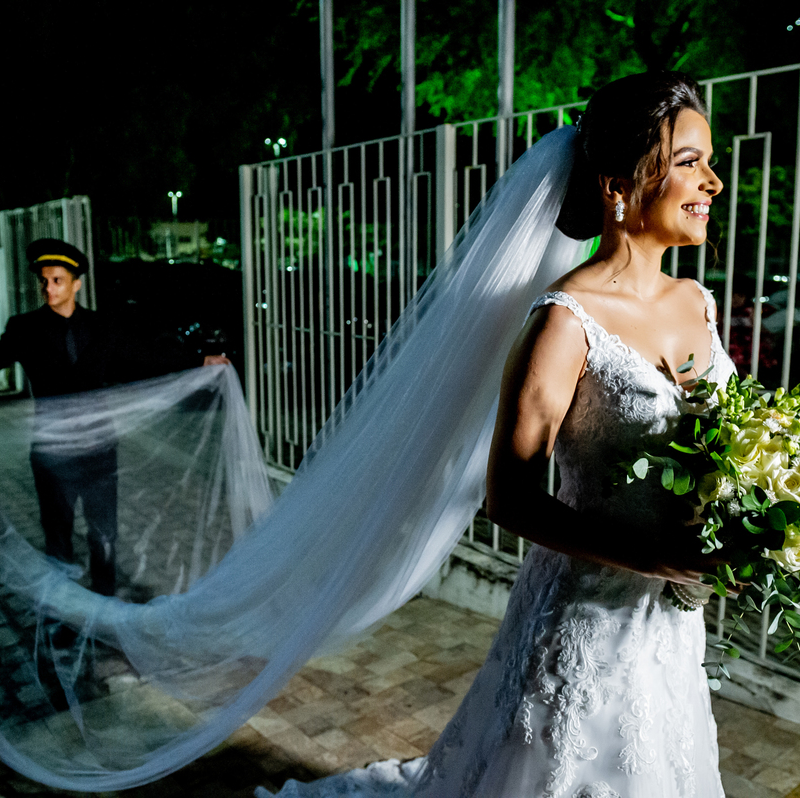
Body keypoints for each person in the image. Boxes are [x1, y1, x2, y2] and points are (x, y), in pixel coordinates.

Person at [267, 72, 731, 798]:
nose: (714, 181)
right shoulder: (566, 321)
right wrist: (651, 555)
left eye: (708, 160)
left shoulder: (697, 303)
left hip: (669, 625)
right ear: (618, 182)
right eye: (689, 162)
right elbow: (509, 499)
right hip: (584, 623)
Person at [0, 238, 229, 596]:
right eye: (44, 281)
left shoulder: (103, 327)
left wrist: (200, 362)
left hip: (99, 449)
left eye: (57, 280)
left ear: (76, 284)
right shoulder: (25, 329)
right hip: (53, 455)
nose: (48, 288)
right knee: (58, 539)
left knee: (104, 536)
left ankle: (105, 607)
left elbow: (147, 354)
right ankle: (66, 610)